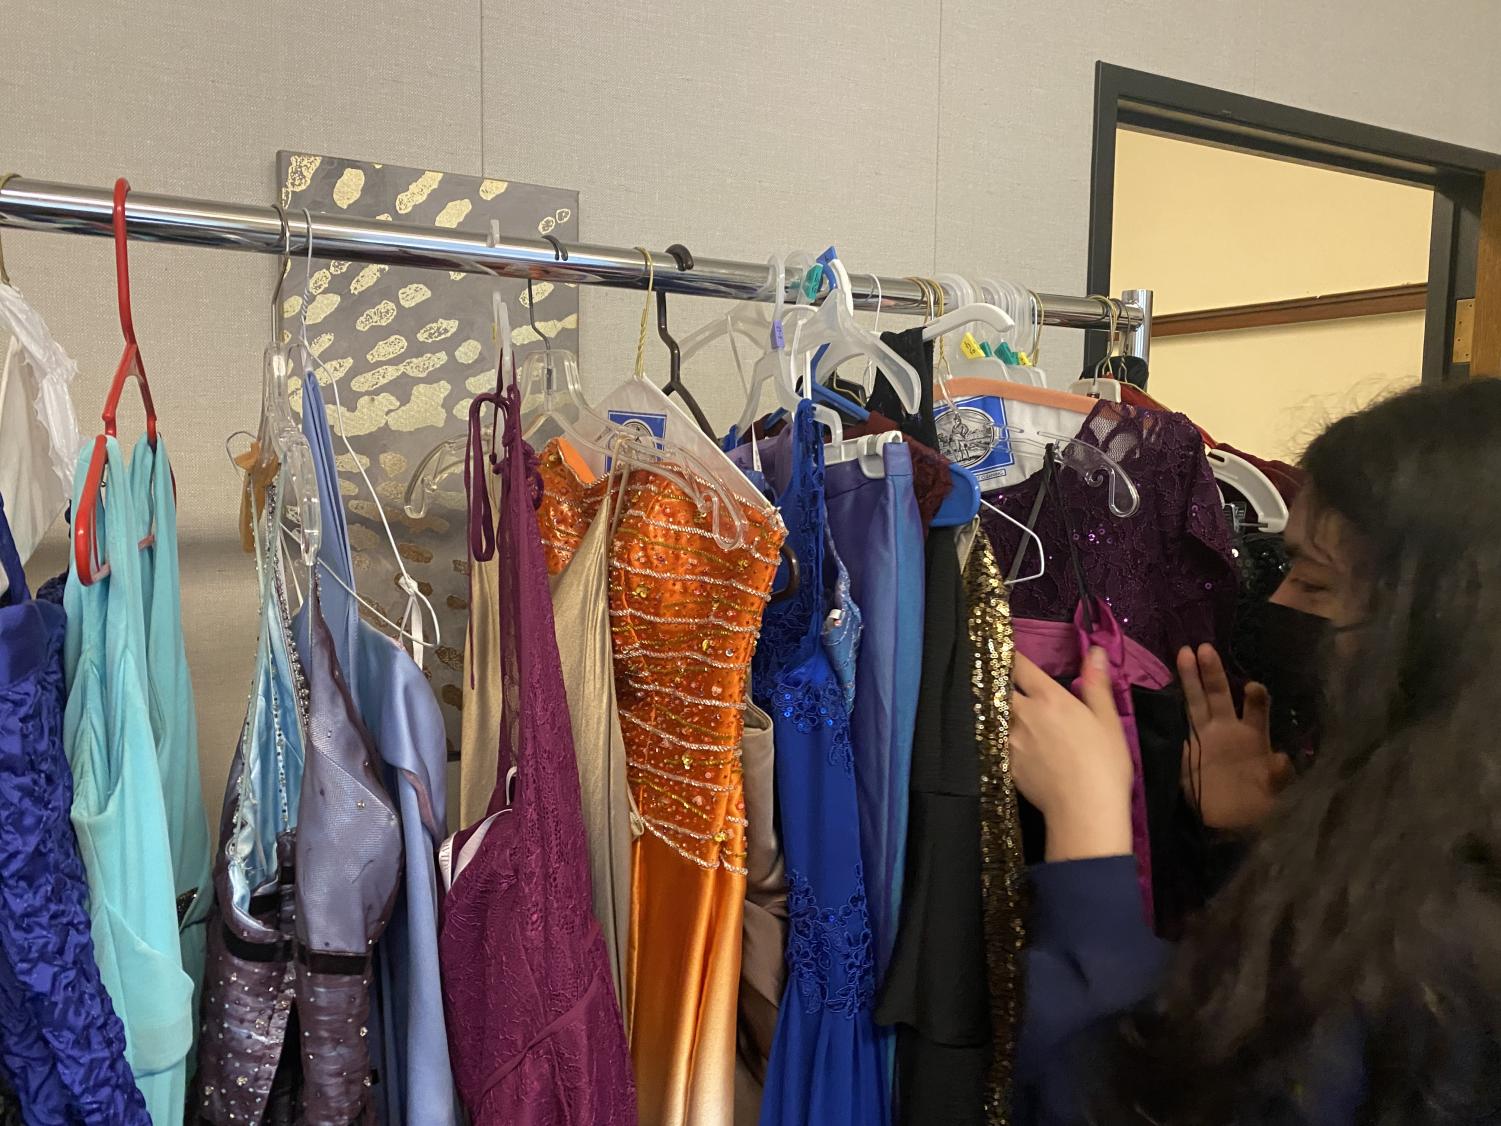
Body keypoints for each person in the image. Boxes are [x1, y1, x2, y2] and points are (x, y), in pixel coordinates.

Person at [1008, 378, 1501, 1125]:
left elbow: (1138, 1098)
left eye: (1312, 581)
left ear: (1440, 623)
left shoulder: (1440, 949)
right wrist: (1260, 840)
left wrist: (1088, 833)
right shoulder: (1439, 868)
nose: (1274, 605)